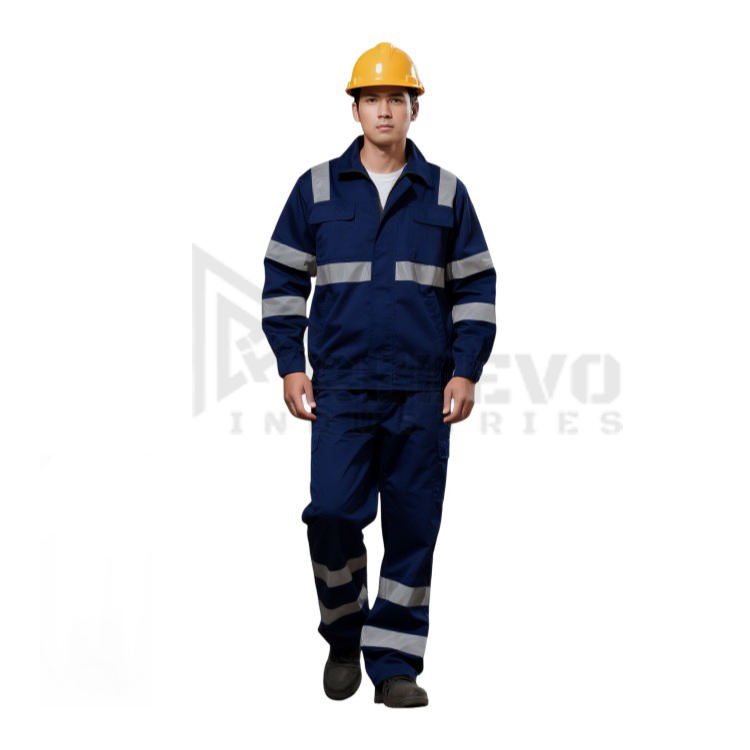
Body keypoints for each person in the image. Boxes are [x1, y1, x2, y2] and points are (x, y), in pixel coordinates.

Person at [261, 41, 496, 707]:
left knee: (413, 528)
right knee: (333, 513)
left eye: (396, 98)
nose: (385, 110)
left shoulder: (446, 193)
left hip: (422, 389)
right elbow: (283, 280)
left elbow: (475, 288)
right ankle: (344, 632)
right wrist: (289, 364)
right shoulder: (316, 189)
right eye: (372, 99)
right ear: (356, 109)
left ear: (415, 108)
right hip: (342, 387)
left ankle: (395, 665)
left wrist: (465, 370)